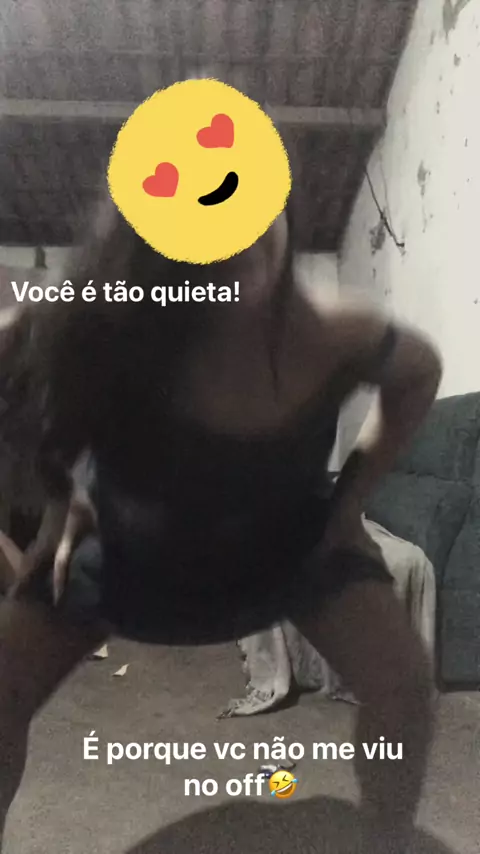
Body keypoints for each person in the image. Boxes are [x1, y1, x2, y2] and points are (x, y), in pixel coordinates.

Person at [0, 195, 441, 853]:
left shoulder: (332, 330)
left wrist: (349, 501)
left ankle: (388, 839)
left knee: (404, 682)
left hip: (290, 548)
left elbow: (419, 372)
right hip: (125, 555)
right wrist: (60, 499)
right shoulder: (88, 319)